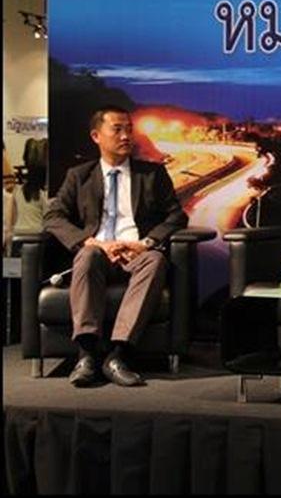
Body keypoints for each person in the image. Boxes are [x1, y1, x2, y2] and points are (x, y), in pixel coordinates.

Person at [44, 105, 188, 387]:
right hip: (97, 252)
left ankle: (118, 355)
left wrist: (146, 243)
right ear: (96, 136)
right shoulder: (79, 176)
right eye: (117, 129)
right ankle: (86, 355)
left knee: (156, 260)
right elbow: (53, 217)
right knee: (87, 255)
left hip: (136, 253)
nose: (126, 136)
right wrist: (92, 242)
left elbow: (176, 216)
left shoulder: (152, 174)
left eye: (129, 130)